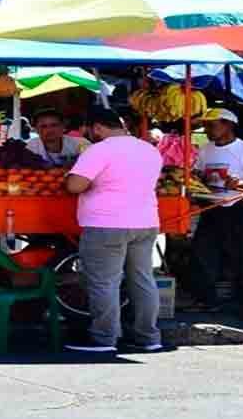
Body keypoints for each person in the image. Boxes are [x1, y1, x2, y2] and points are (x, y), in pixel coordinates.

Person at [64, 106, 167, 354]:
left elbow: (75, 186)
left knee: (104, 283)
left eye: (92, 130)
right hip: (145, 222)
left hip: (106, 223)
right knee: (142, 280)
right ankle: (149, 337)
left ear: (98, 127)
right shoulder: (149, 149)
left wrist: (69, 178)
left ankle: (104, 338)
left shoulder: (99, 150)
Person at [188, 108, 243, 320]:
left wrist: (242, 184)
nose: (207, 130)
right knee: (203, 253)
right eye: (206, 126)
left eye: (212, 125)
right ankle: (207, 300)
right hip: (213, 207)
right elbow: (199, 176)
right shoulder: (205, 150)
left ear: (229, 125)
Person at [26, 109, 90, 167]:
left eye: (54, 125)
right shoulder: (32, 147)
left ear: (63, 126)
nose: (49, 130)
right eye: (43, 126)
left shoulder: (81, 143)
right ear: (36, 129)